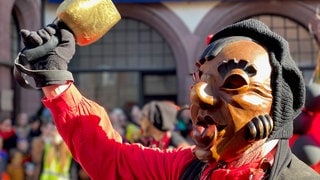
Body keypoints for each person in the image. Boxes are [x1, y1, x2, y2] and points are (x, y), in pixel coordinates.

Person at [14, 19, 320, 179]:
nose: (200, 94)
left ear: (276, 107)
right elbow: (111, 159)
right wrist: (56, 82)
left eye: (233, 82)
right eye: (199, 78)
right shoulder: (188, 167)